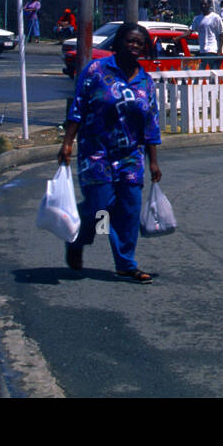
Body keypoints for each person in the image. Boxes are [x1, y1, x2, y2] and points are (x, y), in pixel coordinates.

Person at [58, 23, 162, 282]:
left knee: (128, 209)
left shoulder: (145, 82)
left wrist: (153, 162)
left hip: (130, 155)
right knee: (100, 205)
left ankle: (126, 263)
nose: (134, 46)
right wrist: (67, 143)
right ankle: (77, 239)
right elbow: (78, 108)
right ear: (118, 43)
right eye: (130, 41)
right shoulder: (96, 71)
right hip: (96, 152)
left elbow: (151, 123)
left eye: (139, 43)